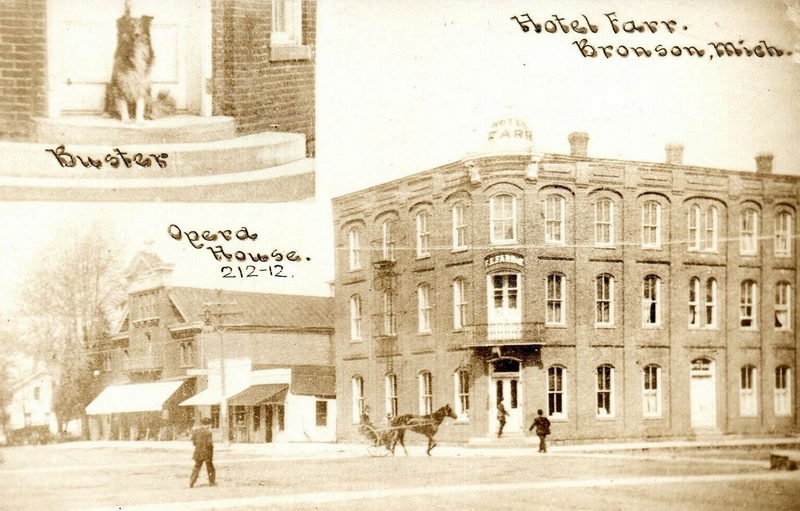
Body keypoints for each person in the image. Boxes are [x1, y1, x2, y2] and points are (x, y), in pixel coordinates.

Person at [189, 417, 216, 488]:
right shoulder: (208, 432)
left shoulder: (196, 431)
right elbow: (209, 443)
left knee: (197, 467)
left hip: (198, 452)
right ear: (208, 425)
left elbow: (194, 442)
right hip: (207, 452)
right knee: (210, 467)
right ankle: (212, 482)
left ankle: (192, 481)